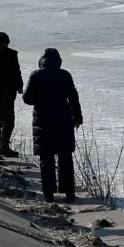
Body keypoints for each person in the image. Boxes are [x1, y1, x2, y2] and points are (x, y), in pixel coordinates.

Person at [22, 48, 83, 203]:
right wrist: (78, 118)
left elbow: (27, 99)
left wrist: (40, 98)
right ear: (58, 61)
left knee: (46, 158)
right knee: (65, 157)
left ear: (42, 61)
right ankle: (69, 193)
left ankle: (48, 195)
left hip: (43, 121)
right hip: (63, 120)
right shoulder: (65, 75)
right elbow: (73, 98)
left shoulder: (36, 75)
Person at [0, 32, 24, 156]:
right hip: (8, 92)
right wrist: (20, 86)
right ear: (7, 43)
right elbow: (16, 73)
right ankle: (4, 146)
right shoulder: (11, 55)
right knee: (8, 121)